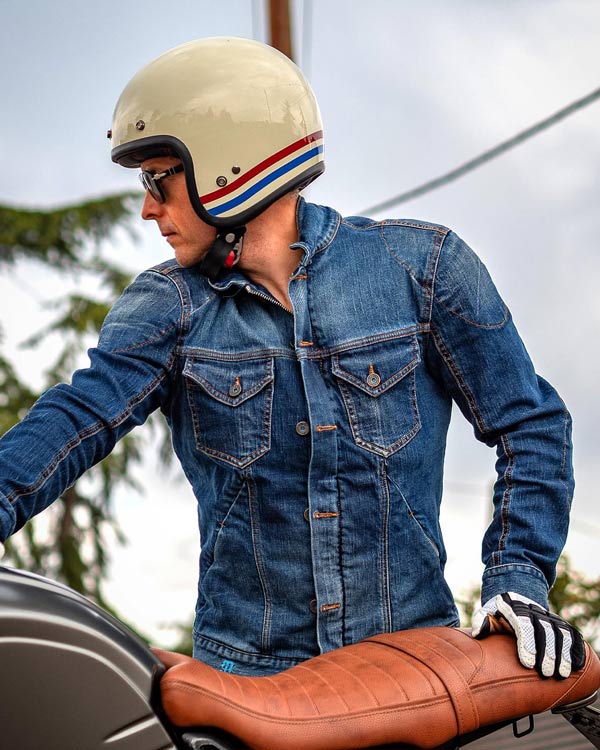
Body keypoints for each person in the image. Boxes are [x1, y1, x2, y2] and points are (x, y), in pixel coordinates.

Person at [0, 37, 584, 679]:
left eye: (159, 179)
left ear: (230, 165)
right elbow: (75, 416)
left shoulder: (424, 269)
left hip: (416, 669)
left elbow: (530, 423)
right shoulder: (168, 305)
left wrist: (518, 579)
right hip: (245, 684)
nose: (148, 208)